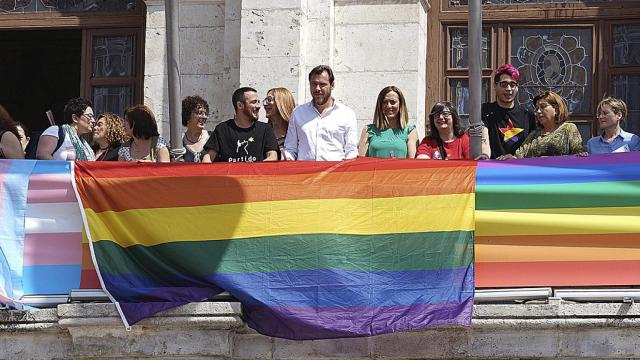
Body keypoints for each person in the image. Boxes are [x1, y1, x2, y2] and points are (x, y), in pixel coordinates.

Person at [284, 65, 358, 161]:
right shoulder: (298, 113)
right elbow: (290, 148)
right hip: (305, 173)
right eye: (314, 84)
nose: (317, 88)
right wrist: (289, 160)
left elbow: (351, 150)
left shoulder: (347, 114)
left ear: (332, 85)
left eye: (322, 84)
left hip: (335, 174)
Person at [202, 87, 278, 162]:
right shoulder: (222, 129)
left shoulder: (265, 129)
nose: (258, 106)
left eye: (258, 102)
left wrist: (257, 170)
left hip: (255, 174)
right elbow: (208, 157)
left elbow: (273, 156)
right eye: (254, 102)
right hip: (228, 174)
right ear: (240, 105)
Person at [500, 91, 583, 159]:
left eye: (543, 107)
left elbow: (578, 155)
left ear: (556, 109)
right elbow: (519, 156)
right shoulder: (534, 135)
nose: (538, 112)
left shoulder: (569, 129)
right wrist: (511, 158)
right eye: (536, 109)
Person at [481, 64, 536, 158]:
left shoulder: (528, 115)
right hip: (492, 168)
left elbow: (532, 146)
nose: (508, 89)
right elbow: (483, 139)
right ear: (495, 86)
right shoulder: (485, 110)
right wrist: (484, 156)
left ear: (517, 87)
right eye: (504, 84)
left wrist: (515, 158)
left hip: (520, 167)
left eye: (512, 84)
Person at [357, 86, 418, 158]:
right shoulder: (368, 130)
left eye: (393, 102)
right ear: (380, 105)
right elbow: (361, 162)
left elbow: (412, 163)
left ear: (401, 104)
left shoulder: (410, 131)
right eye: (385, 102)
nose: (389, 106)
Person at [263, 87, 295, 159]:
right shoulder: (263, 132)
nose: (265, 104)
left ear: (281, 102)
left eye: (269, 99)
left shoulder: (295, 132)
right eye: (265, 100)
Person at [182, 95, 211, 162]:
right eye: (200, 113)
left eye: (205, 114)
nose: (204, 117)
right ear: (188, 116)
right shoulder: (179, 141)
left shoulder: (212, 138)